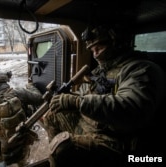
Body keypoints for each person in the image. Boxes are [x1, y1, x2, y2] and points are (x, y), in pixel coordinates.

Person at [43, 24, 165, 167]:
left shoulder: (140, 69)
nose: (95, 54)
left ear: (116, 44)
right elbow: (85, 95)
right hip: (93, 125)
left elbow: (132, 108)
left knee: (61, 149)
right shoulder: (101, 70)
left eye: (99, 48)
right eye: (92, 50)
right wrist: (67, 99)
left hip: (116, 140)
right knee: (51, 115)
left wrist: (77, 102)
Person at [0, 69, 44, 166]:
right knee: (22, 163)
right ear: (7, 79)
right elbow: (39, 99)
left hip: (1, 151)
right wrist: (30, 86)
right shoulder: (19, 92)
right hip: (21, 146)